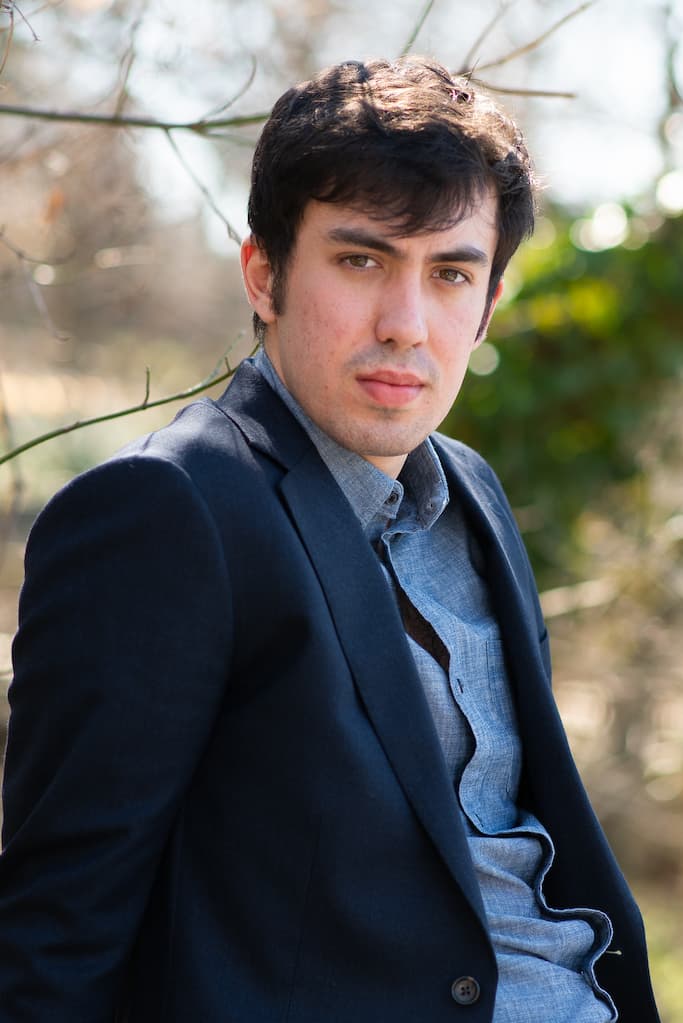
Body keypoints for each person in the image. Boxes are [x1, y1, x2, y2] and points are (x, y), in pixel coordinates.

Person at [0, 57, 660, 1023]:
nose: (406, 325)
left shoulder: (470, 490)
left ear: (488, 306)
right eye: (361, 261)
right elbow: (55, 932)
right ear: (264, 274)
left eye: (449, 274)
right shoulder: (161, 511)